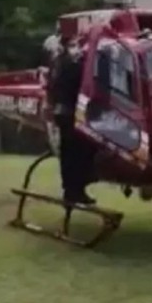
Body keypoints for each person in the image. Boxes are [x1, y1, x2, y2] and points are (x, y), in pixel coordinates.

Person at [47, 35, 95, 205]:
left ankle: (77, 189)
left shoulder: (61, 63)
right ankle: (72, 191)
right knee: (72, 152)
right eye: (73, 45)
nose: (76, 49)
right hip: (69, 114)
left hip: (69, 113)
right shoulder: (67, 64)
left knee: (77, 151)